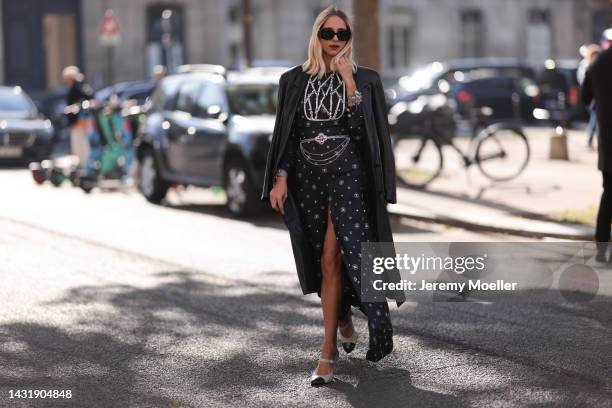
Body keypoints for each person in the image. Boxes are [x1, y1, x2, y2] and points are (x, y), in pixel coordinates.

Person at [261, 6, 403, 387]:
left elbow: (363, 135)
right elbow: (288, 135)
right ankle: (340, 317)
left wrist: (349, 85)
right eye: (329, 33)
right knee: (322, 261)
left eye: (343, 34)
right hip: (308, 180)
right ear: (317, 36)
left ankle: (326, 354)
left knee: (336, 253)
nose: (336, 40)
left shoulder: (364, 80)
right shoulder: (293, 81)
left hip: (347, 178)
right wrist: (281, 176)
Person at [582, 28, 612, 261]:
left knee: (608, 193)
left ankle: (601, 248)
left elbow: (585, 98)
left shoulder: (597, 64)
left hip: (607, 140)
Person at [63, 66, 93, 166]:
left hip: (79, 122)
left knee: (81, 144)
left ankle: (84, 164)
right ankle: (82, 163)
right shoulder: (78, 88)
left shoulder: (77, 89)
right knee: (79, 144)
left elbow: (84, 103)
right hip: (76, 122)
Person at [578, 44, 601, 149]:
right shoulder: (587, 66)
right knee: (594, 119)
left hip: (597, 99)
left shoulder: (593, 66)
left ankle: (591, 140)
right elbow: (584, 84)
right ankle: (590, 140)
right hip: (594, 99)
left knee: (595, 120)